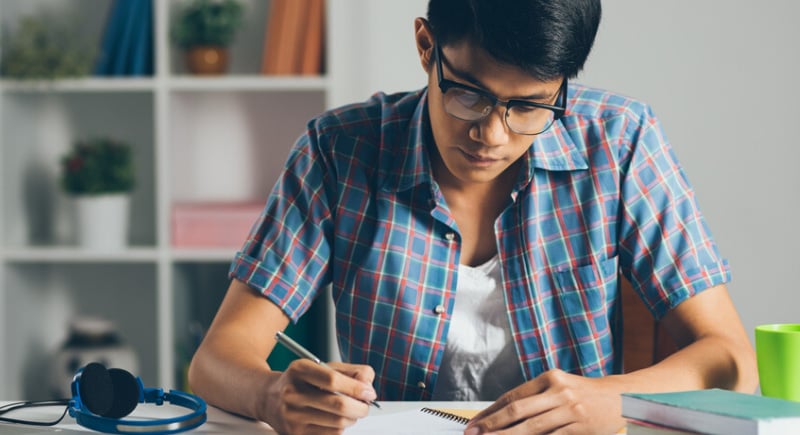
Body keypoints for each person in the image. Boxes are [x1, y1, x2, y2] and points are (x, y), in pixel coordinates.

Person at [188, 0, 758, 433]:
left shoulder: (621, 142)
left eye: (530, 106)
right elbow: (216, 359)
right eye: (469, 94)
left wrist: (613, 399)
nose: (492, 134)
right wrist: (270, 395)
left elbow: (731, 358)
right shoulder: (340, 150)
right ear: (426, 46)